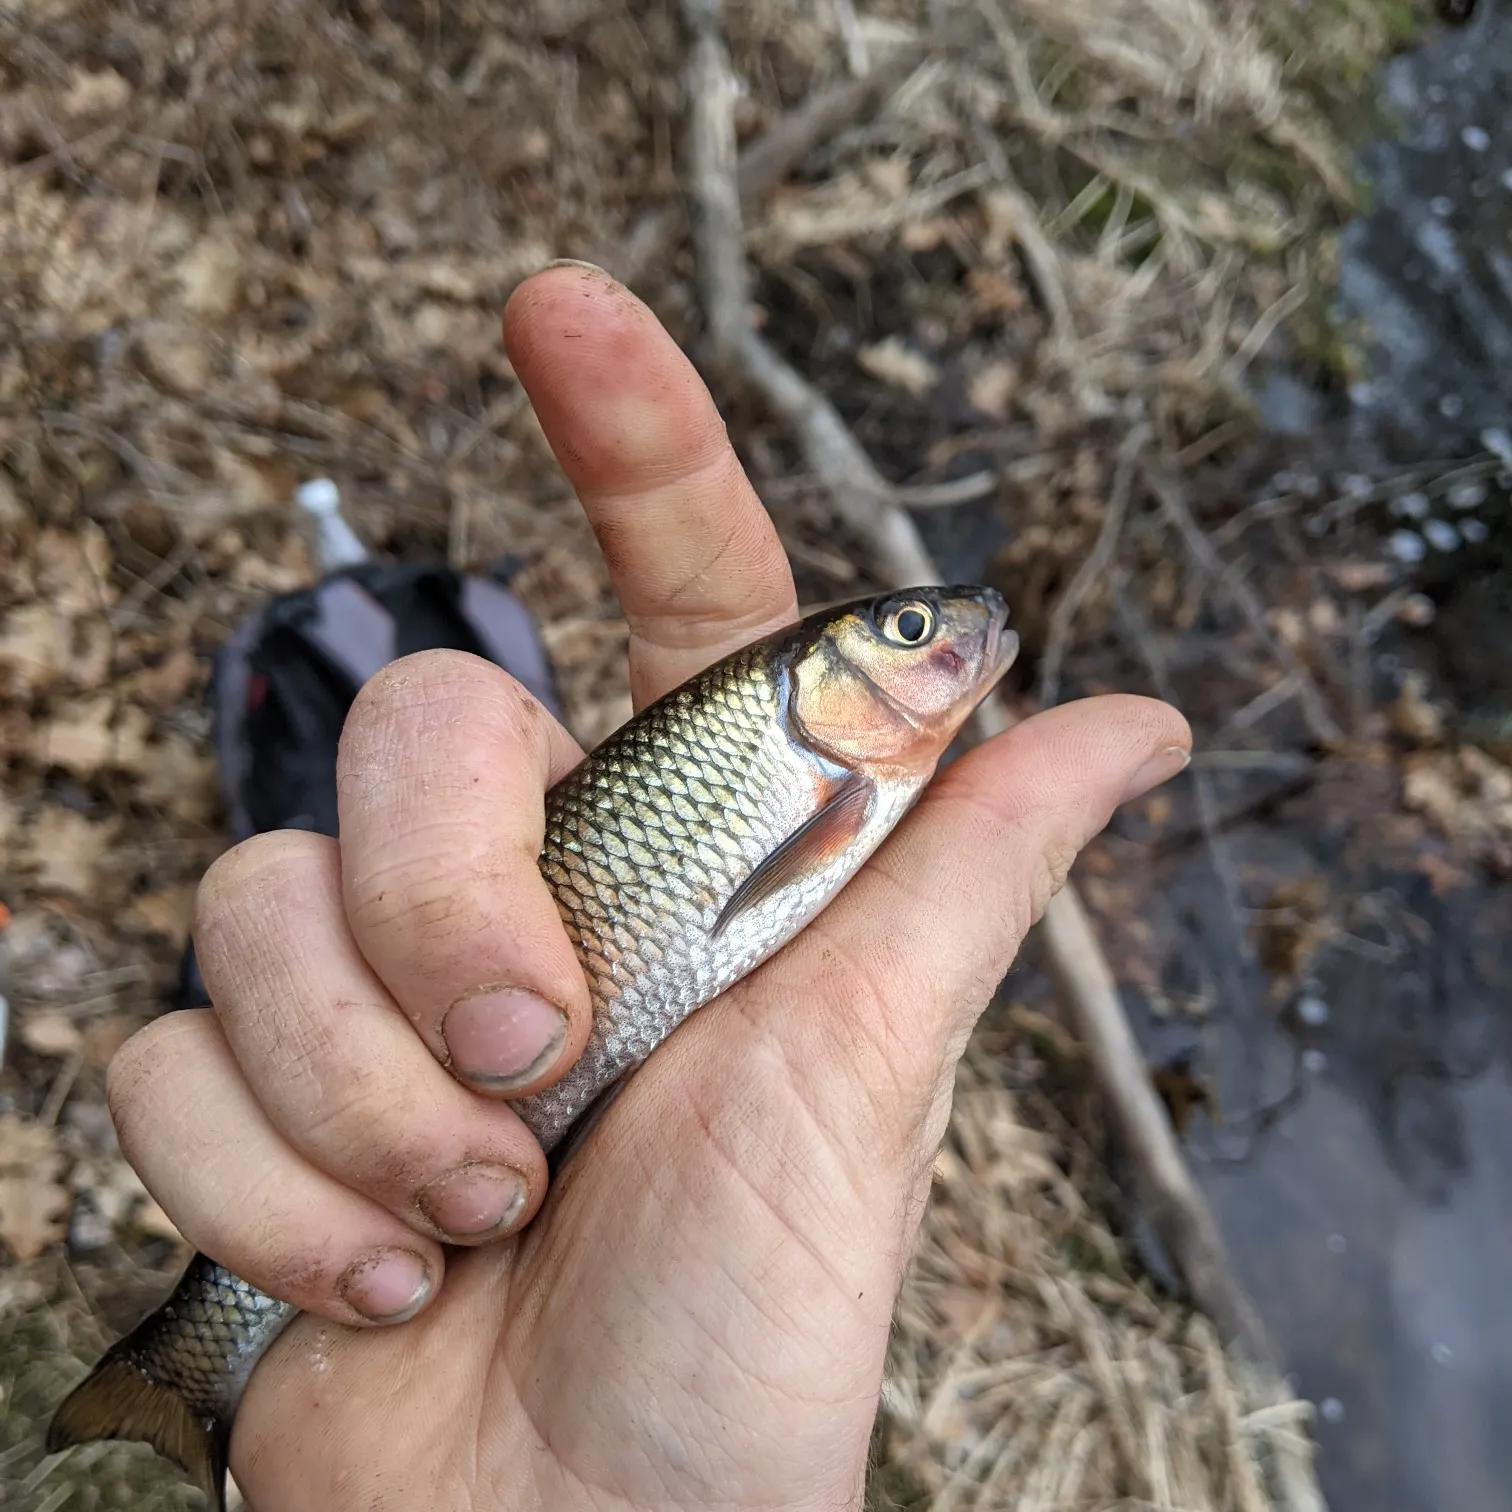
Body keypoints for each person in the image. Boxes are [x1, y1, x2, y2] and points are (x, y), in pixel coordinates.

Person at [104, 262, 1191, 1510]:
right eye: (905, 634)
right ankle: (194, 1358)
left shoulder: (857, 790)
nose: (950, 637)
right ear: (823, 685)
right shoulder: (826, 777)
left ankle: (193, 1359)